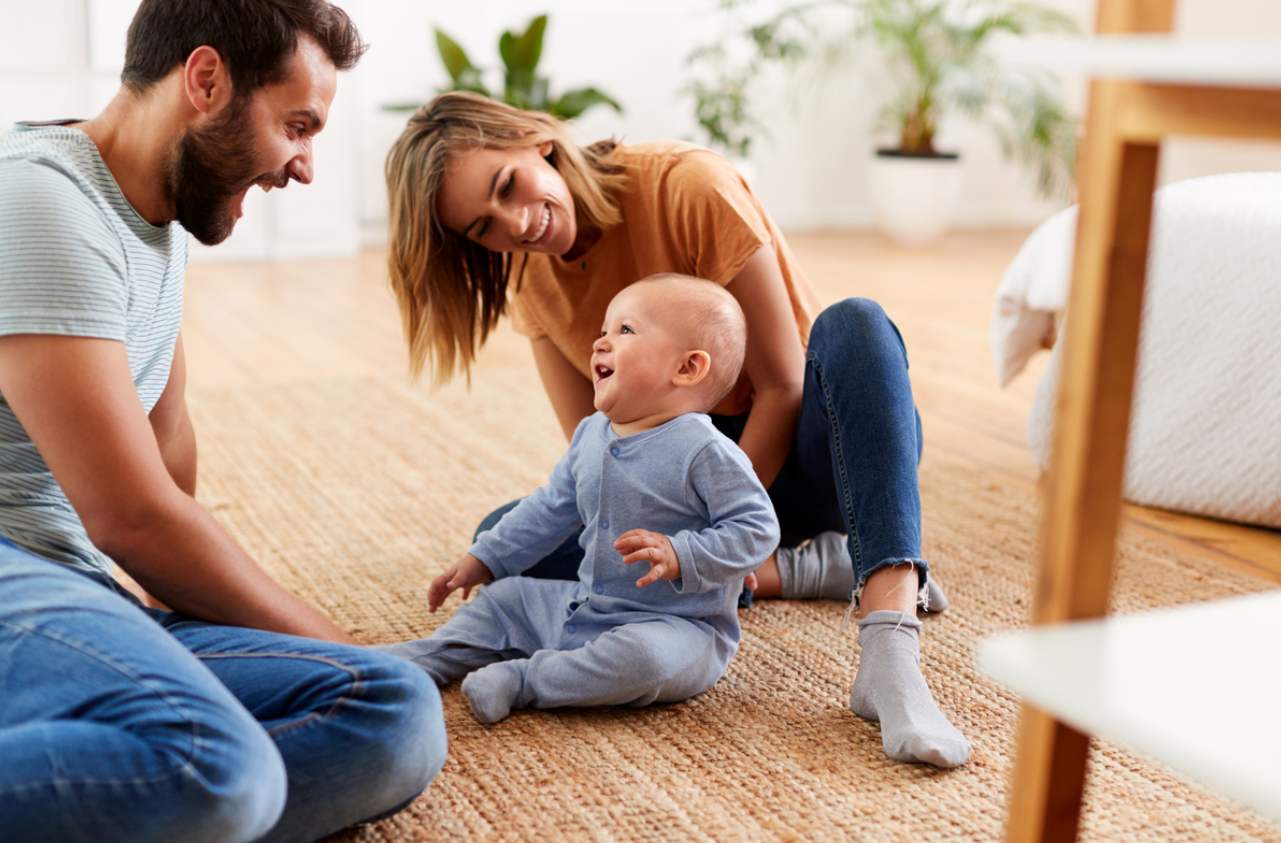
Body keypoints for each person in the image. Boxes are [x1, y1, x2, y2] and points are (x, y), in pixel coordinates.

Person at [384, 91, 970, 768]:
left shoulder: (687, 185)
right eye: (483, 227)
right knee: (504, 535)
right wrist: (683, 546)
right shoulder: (531, 280)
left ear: (534, 141)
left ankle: (887, 644)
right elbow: (596, 452)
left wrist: (715, 531)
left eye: (507, 186)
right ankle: (809, 567)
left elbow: (782, 385)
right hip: (691, 508)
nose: (515, 225)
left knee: (858, 322)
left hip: (819, 452)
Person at [0, 3, 445, 840]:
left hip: (76, 594)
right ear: (205, 81)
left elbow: (169, 459)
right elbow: (132, 514)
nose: (305, 166)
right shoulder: (38, 199)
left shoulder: (151, 224)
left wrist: (338, 660)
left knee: (389, 708)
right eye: (298, 125)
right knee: (212, 763)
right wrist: (338, 637)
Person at [383, 274, 779, 724]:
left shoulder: (703, 450)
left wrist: (681, 552)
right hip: (585, 603)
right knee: (506, 598)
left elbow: (757, 529)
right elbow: (550, 507)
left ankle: (527, 680)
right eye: (604, 330)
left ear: (687, 368)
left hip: (678, 626)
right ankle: (429, 657)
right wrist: (486, 557)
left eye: (625, 331)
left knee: (644, 662)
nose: (600, 343)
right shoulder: (592, 432)